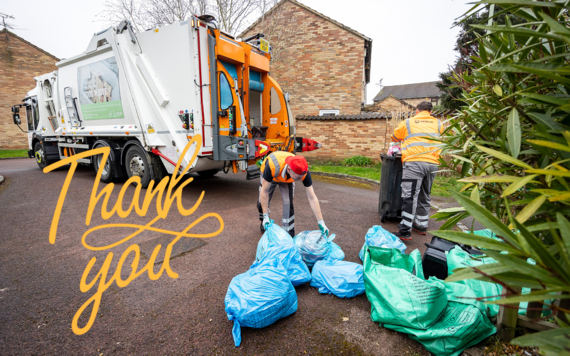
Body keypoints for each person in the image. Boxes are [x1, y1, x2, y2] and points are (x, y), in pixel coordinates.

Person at [390, 101, 443, 240]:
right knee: (425, 195)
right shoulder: (438, 123)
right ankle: (421, 225)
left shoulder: (408, 122)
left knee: (410, 196)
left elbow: (394, 137)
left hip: (414, 163)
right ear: (430, 112)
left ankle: (405, 230)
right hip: (433, 164)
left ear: (417, 111)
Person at [257, 151, 328, 237]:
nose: (300, 179)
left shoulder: (303, 172)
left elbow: (312, 197)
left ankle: (288, 234)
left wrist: (321, 222)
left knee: (288, 202)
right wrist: (265, 216)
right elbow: (264, 192)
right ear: (289, 169)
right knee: (262, 201)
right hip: (272, 174)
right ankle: (263, 220)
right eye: (298, 177)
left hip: (286, 178)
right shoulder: (272, 165)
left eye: (301, 177)